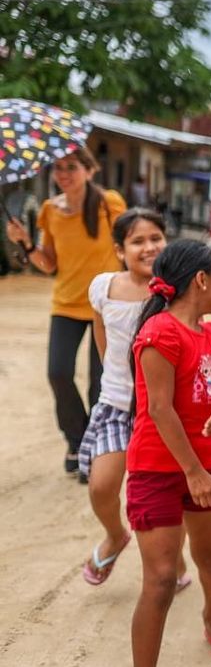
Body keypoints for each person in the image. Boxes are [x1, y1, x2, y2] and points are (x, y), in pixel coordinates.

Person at [126, 240, 211, 665]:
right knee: (160, 581)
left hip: (206, 467)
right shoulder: (159, 332)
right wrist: (192, 471)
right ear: (201, 280)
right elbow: (159, 408)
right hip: (158, 469)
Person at [79, 208, 190, 591]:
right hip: (116, 405)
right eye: (137, 241)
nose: (149, 247)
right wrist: (116, 380)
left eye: (156, 238)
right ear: (119, 250)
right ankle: (115, 535)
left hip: (164, 410)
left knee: (170, 494)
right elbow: (102, 337)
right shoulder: (103, 287)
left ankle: (173, 559)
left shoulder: (175, 290)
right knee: (101, 485)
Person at [5, 147, 127, 477]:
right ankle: (77, 440)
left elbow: (127, 244)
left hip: (106, 305)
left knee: (100, 384)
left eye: (71, 167)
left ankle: (96, 452)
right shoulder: (49, 210)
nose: (63, 174)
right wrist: (25, 242)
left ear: (90, 170)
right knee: (58, 372)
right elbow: (49, 264)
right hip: (67, 304)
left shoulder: (109, 203)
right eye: (58, 167)